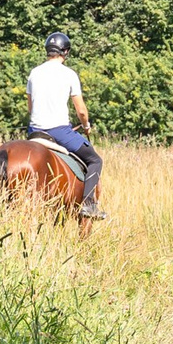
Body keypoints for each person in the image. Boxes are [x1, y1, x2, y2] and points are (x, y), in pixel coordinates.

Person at [26, 32, 105, 220]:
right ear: (66, 51)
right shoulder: (69, 74)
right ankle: (88, 204)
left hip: (34, 131)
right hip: (59, 132)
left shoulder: (34, 73)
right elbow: (82, 111)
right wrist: (86, 126)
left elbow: (30, 107)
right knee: (95, 161)